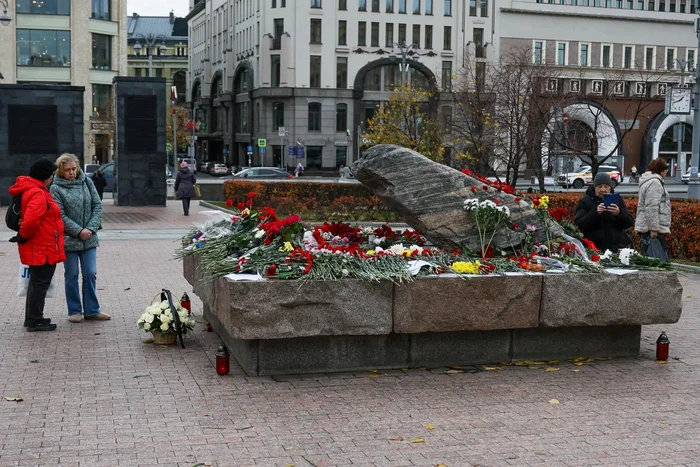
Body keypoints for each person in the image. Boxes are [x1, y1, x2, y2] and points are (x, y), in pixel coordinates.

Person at [50, 153, 109, 323]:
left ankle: (92, 310)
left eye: (74, 169)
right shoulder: (55, 188)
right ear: (60, 170)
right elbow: (59, 215)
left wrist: (90, 228)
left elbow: (97, 205)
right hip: (69, 239)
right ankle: (74, 310)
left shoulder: (87, 182)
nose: (71, 172)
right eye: (67, 170)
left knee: (90, 273)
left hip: (89, 238)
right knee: (72, 274)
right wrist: (78, 231)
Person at [9, 159, 66, 332]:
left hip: (41, 245)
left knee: (36, 283)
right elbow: (31, 220)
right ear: (46, 176)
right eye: (52, 175)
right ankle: (35, 320)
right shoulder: (38, 193)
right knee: (40, 284)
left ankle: (32, 318)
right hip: (43, 246)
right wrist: (23, 236)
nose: (53, 178)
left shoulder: (34, 189)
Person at [574, 172, 634, 253]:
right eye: (599, 186)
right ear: (594, 187)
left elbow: (629, 222)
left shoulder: (617, 200)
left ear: (610, 187)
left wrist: (618, 214)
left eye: (606, 187)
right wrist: (596, 212)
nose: (603, 190)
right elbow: (579, 224)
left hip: (615, 248)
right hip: (593, 249)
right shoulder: (585, 201)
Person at [635, 158, 671, 257]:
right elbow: (652, 207)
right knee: (656, 258)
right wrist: (654, 229)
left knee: (650, 256)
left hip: (648, 227)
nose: (666, 172)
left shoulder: (649, 181)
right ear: (661, 170)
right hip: (652, 229)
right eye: (665, 169)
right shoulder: (655, 183)